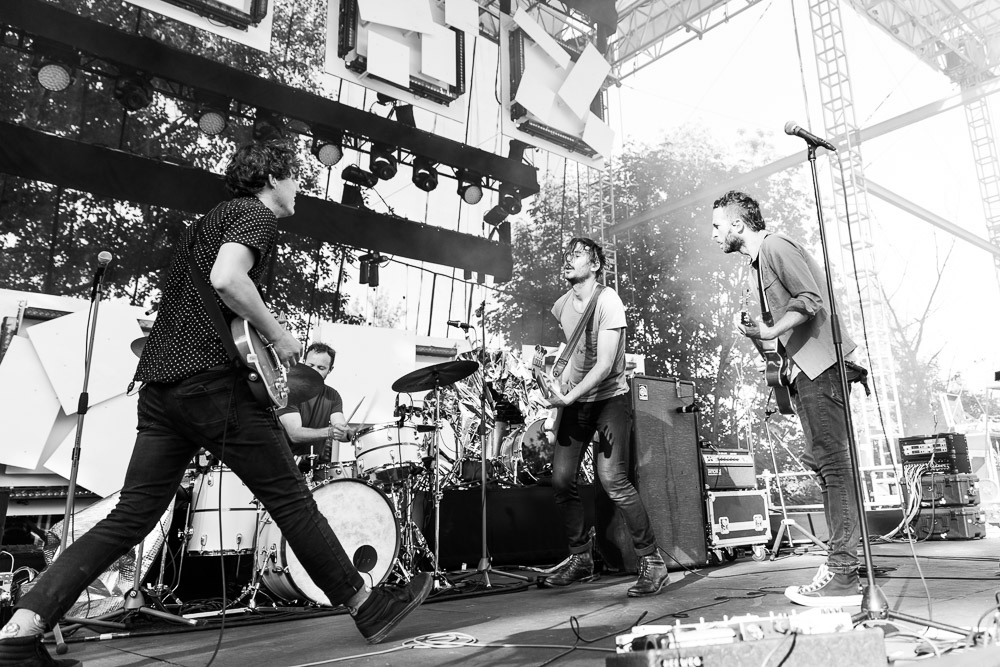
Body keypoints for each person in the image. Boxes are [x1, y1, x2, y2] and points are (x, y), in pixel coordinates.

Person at [0, 139, 431, 667]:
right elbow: (227, 279)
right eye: (295, 178)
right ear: (272, 178)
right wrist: (281, 336)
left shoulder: (206, 222)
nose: (299, 188)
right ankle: (368, 605)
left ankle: (21, 628)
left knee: (131, 516)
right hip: (213, 388)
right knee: (291, 500)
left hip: (161, 388)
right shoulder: (255, 215)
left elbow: (211, 295)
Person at [711, 190, 861, 607]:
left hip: (821, 368)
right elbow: (778, 334)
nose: (714, 235)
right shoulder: (756, 265)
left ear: (738, 224)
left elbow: (810, 300)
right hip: (805, 371)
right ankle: (843, 563)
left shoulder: (775, 246)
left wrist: (771, 330)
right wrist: (759, 332)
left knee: (834, 466)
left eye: (717, 226)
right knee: (826, 465)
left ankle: (844, 574)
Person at [540, 237, 668, 597]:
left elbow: (605, 365)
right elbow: (574, 354)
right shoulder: (562, 305)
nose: (568, 260)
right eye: (566, 255)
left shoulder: (609, 301)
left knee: (613, 480)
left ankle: (653, 561)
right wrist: (556, 392)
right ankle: (581, 558)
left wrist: (568, 396)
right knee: (561, 480)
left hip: (610, 400)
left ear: (595, 265)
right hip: (576, 402)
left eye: (577, 255)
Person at [277, 342, 356, 479]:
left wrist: (348, 434)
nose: (314, 371)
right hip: (282, 466)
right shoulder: (288, 391)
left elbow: (340, 427)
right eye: (311, 365)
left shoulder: (333, 396)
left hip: (312, 467)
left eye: (321, 368)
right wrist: (330, 432)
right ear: (303, 363)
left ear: (330, 370)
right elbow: (294, 434)